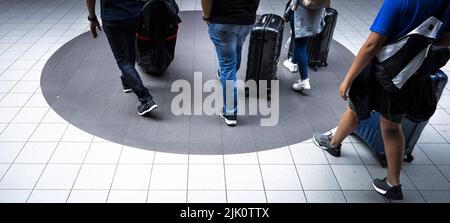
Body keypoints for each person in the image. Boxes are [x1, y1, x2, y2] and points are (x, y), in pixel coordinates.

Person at [313, 0, 450, 200]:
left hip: (378, 72)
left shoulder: (397, 3)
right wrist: (413, 47)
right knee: (393, 126)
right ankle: (392, 183)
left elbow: (372, 45)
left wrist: (348, 79)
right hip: (408, 75)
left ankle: (333, 144)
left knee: (354, 109)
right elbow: (446, 39)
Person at [86, 0, 158, 116]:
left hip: (112, 17)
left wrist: (92, 18)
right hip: (132, 14)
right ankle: (127, 81)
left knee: (123, 60)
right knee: (130, 50)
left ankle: (145, 99)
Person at [201, 0, 260, 126]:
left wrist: (206, 17)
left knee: (227, 66)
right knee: (236, 53)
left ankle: (230, 112)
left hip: (223, 22)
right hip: (246, 21)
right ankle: (224, 73)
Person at [283, 0, 328, 91]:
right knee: (303, 42)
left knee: (300, 46)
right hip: (316, 15)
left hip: (301, 14)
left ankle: (304, 80)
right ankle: (293, 62)